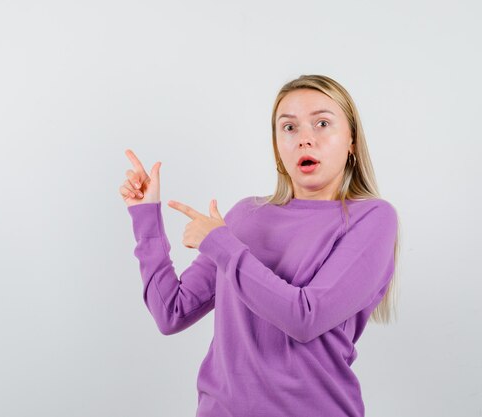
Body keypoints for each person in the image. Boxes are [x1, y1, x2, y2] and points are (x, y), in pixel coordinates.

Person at [119, 74, 400, 417]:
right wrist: (145, 216)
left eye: (322, 123)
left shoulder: (372, 218)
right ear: (277, 145)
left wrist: (220, 244)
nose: (305, 140)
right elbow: (171, 313)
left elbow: (305, 318)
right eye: (289, 128)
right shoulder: (245, 215)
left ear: (351, 140)